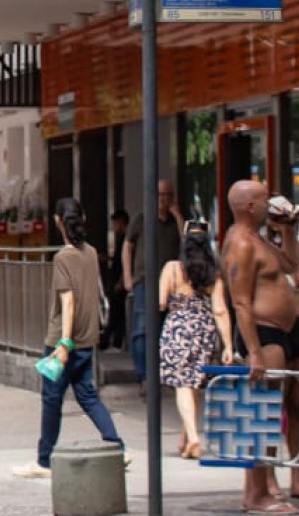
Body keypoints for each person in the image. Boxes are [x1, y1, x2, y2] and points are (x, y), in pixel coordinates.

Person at [14, 197, 126, 479]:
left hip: (61, 341)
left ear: (57, 221)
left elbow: (68, 302)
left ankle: (44, 461)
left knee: (51, 400)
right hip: (87, 339)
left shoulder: (63, 257)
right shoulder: (90, 253)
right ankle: (115, 446)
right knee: (88, 396)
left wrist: (64, 343)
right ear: (83, 218)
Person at [224, 181, 299, 514]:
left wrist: (289, 230)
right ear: (250, 206)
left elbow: (293, 267)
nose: (270, 205)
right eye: (265, 200)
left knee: (266, 413)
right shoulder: (240, 243)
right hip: (262, 335)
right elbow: (241, 301)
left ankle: (259, 490)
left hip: (278, 332)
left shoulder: (259, 239)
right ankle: (257, 493)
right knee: (260, 415)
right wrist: (253, 350)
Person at [158, 220, 232, 459]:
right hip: (204, 328)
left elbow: (160, 302)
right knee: (194, 383)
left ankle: (193, 437)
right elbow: (220, 310)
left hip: (178, 327)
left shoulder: (172, 268)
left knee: (182, 384)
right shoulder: (213, 274)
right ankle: (185, 439)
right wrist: (228, 345)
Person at [123, 179, 183, 389]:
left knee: (168, 328)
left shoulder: (176, 223)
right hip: (145, 281)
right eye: (159, 195)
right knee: (142, 327)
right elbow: (127, 247)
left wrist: (177, 216)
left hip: (173, 283)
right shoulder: (142, 219)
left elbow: (187, 244)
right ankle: (144, 375)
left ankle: (164, 372)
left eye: (167, 195)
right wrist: (128, 276)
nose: (163, 200)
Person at [101, 210, 130, 351]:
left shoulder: (126, 239)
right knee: (116, 312)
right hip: (116, 278)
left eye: (115, 223)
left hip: (120, 281)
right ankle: (112, 339)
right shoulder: (120, 238)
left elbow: (125, 262)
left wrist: (121, 280)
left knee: (117, 313)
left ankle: (112, 340)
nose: (113, 226)